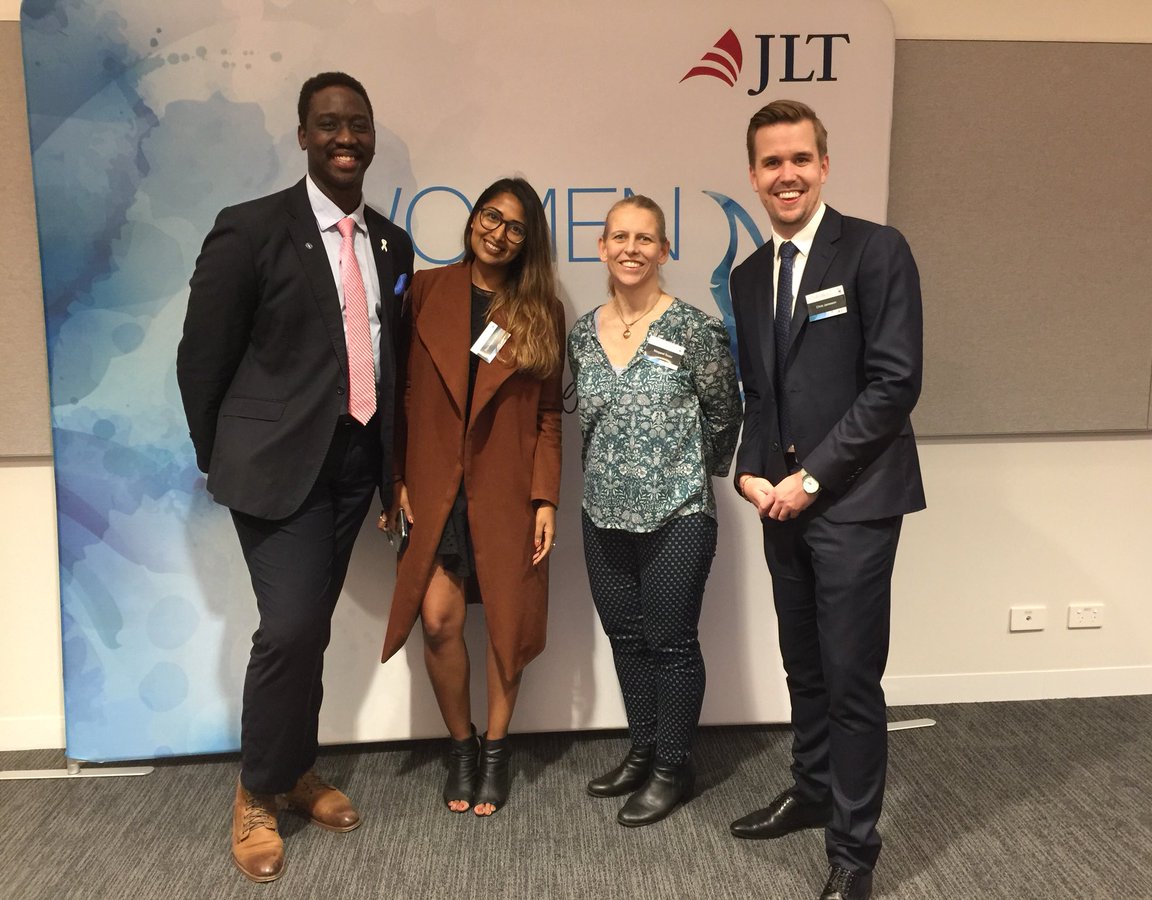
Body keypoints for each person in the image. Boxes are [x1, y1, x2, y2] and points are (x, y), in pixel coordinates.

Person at [177, 72, 414, 882]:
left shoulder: (391, 243)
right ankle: (256, 791)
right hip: (276, 469)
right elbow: (202, 359)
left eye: (359, 123)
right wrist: (223, 456)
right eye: (329, 124)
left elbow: (390, 364)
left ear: (372, 136)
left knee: (308, 626)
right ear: (304, 135)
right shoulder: (250, 230)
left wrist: (391, 472)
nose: (346, 137)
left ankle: (295, 769)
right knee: (288, 629)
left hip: (354, 465)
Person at [727, 100, 925, 900]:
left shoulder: (875, 251)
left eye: (800, 159)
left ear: (824, 165)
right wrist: (748, 470)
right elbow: (759, 395)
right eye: (772, 162)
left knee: (849, 679)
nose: (787, 175)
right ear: (752, 176)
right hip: (780, 505)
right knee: (802, 665)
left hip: (854, 504)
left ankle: (853, 851)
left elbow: (894, 384)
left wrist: (811, 479)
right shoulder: (748, 276)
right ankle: (812, 791)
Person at [380, 176, 564, 818]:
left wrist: (545, 497)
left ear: (527, 241)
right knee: (438, 621)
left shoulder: (541, 311)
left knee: (508, 625)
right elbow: (399, 394)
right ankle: (461, 746)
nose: (499, 233)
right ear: (473, 218)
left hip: (507, 487)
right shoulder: (425, 290)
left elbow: (547, 414)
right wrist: (396, 479)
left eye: (515, 227)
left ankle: (496, 749)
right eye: (491, 216)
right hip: (434, 483)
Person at [567, 195, 741, 827]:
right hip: (601, 511)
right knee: (626, 637)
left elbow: (725, 415)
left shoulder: (695, 330)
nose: (631, 249)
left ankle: (673, 766)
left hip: (678, 512)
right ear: (602, 247)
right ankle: (642, 749)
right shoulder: (582, 334)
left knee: (671, 642)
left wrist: (685, 470)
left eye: (645, 238)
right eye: (620, 237)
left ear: (664, 250)